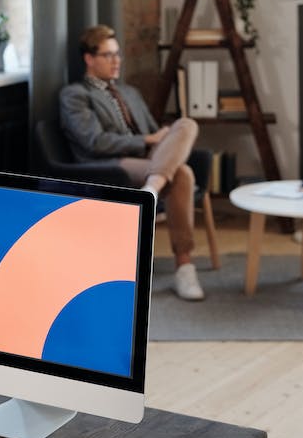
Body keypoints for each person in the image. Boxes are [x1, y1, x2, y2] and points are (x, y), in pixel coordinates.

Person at [59, 24, 204, 301]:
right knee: (182, 174)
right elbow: (95, 142)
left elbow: (155, 134)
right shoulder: (75, 95)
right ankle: (184, 267)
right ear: (89, 59)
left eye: (118, 54)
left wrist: (160, 140)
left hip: (148, 160)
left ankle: (152, 187)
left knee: (186, 124)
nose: (117, 61)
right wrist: (148, 140)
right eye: (108, 55)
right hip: (111, 164)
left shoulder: (129, 92)